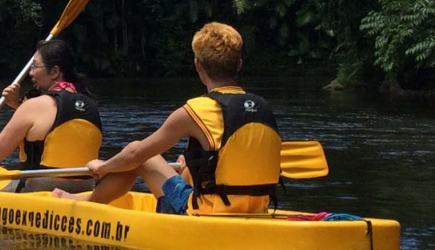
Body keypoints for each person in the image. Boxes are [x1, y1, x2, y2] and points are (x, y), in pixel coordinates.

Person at [54, 22, 282, 216]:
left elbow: (136, 155)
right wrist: (193, 166)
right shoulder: (263, 107)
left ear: (198, 66)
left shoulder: (196, 109)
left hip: (207, 214)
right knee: (188, 164)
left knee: (139, 153)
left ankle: (88, 203)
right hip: (256, 211)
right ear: (239, 65)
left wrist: (103, 167)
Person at [0, 39, 102, 193]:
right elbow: (53, 125)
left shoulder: (35, 105)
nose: (31, 73)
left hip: (40, 190)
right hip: (84, 190)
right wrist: (18, 105)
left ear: (54, 72)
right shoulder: (90, 104)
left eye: (35, 66)